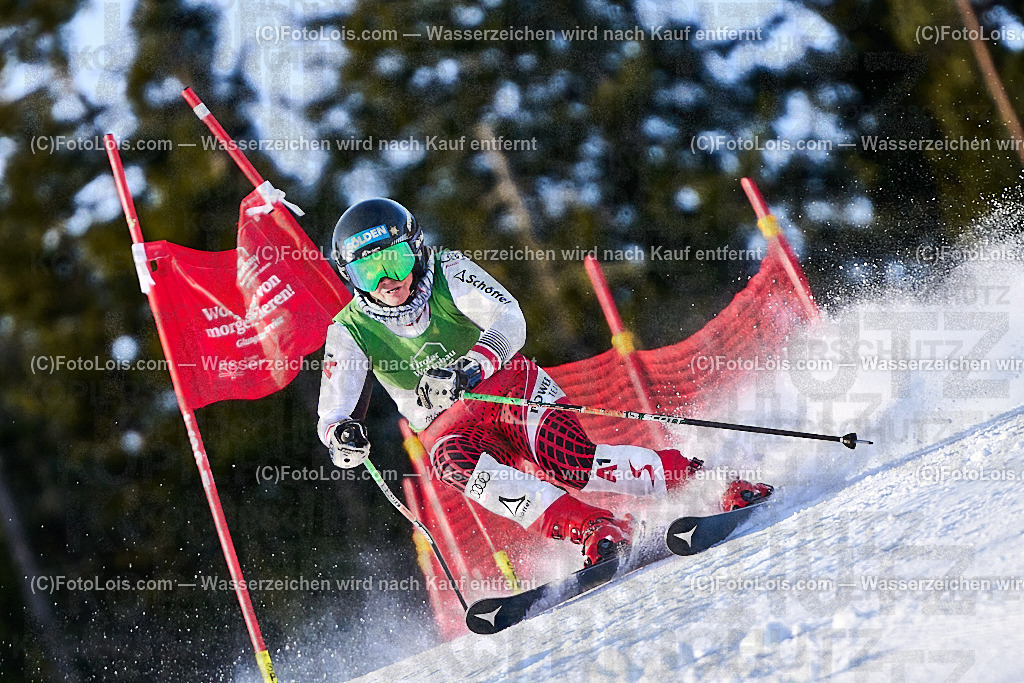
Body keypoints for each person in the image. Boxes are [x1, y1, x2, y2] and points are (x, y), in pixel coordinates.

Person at [317, 198, 772, 567]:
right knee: (455, 465)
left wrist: (470, 368)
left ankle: (713, 483)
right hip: (448, 428)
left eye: (394, 260)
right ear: (350, 276)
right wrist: (344, 438)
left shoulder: (448, 271)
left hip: (508, 389)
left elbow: (510, 318)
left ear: (415, 250)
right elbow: (332, 418)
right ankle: (595, 528)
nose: (387, 280)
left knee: (572, 464)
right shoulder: (348, 330)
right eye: (368, 271)